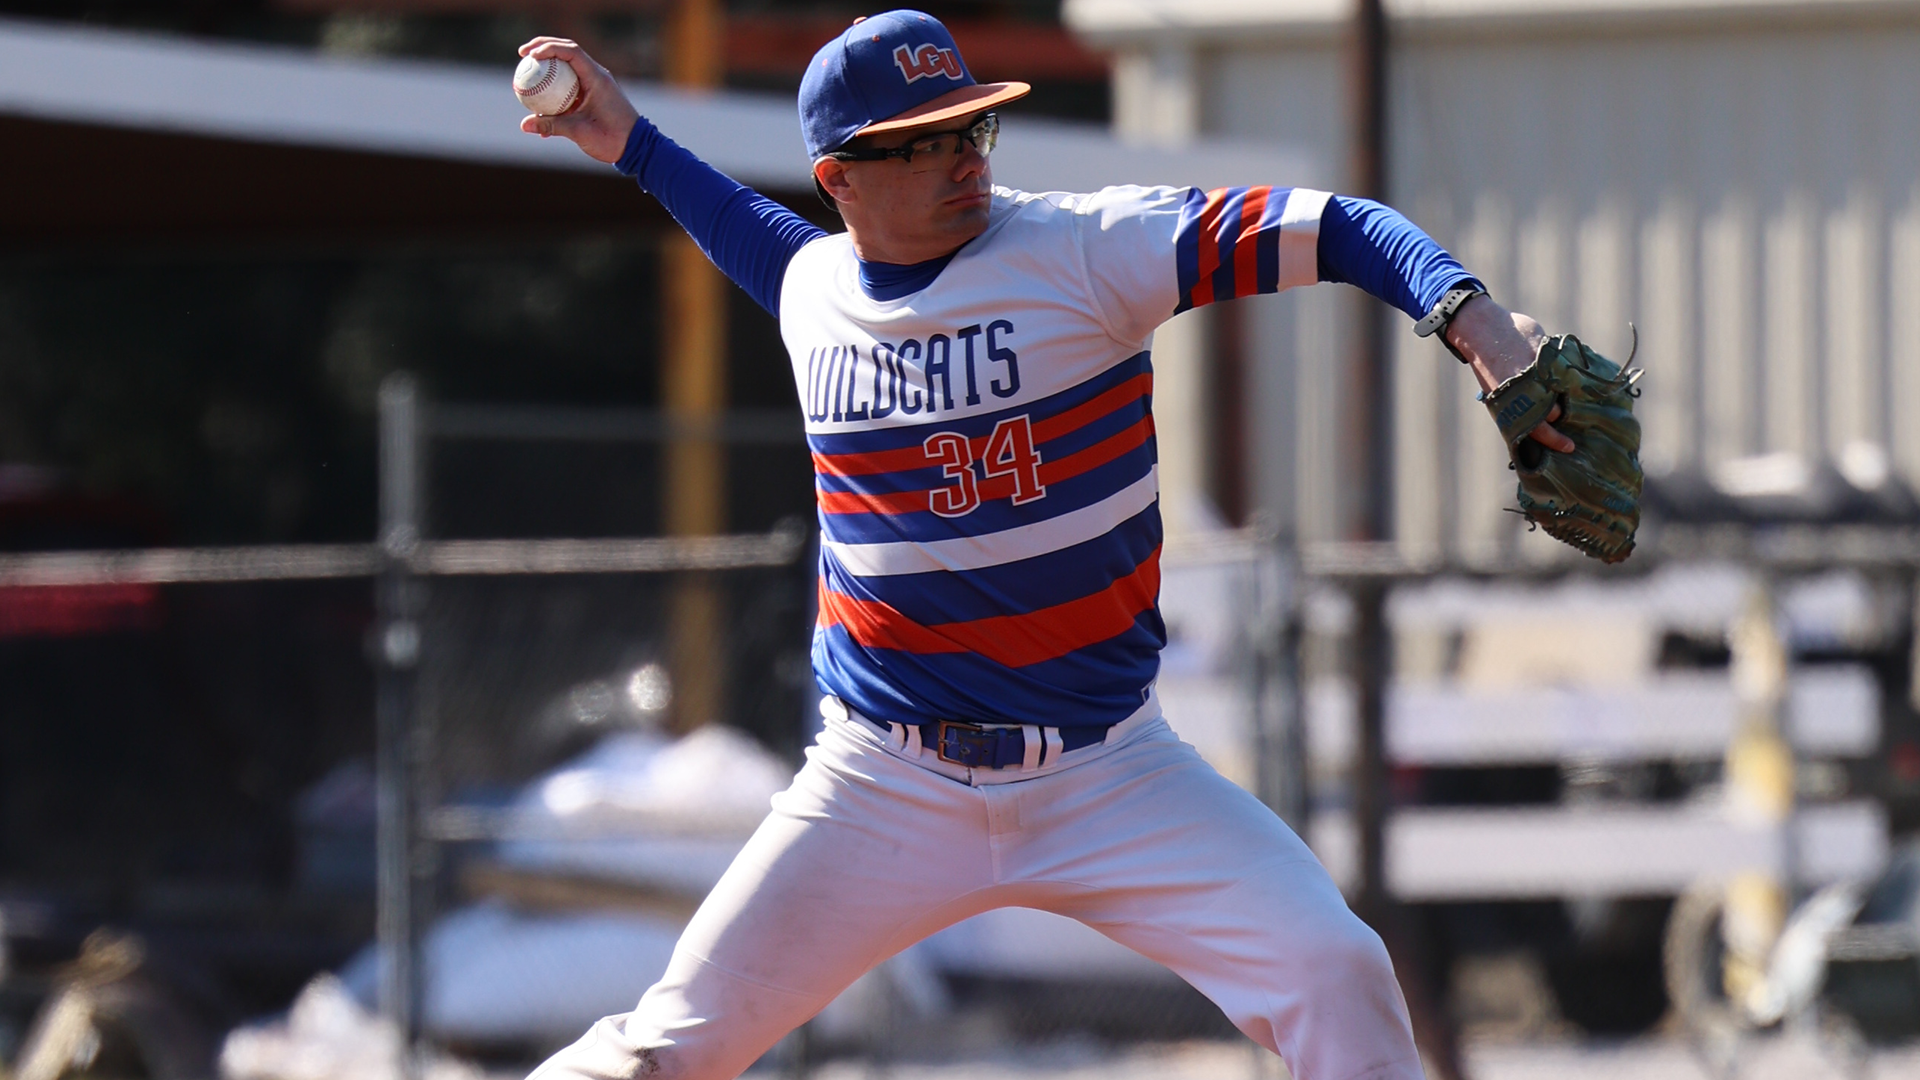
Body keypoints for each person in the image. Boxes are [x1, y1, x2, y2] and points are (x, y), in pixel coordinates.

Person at [519, 11, 1567, 1080]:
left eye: (970, 131)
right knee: (659, 1056)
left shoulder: (1086, 250)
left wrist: (1470, 319)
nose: (960, 162)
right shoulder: (812, 293)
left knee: (1337, 970)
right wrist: (630, 140)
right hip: (886, 782)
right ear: (839, 180)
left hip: (1109, 772)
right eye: (919, 144)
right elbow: (721, 209)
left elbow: (1335, 225)